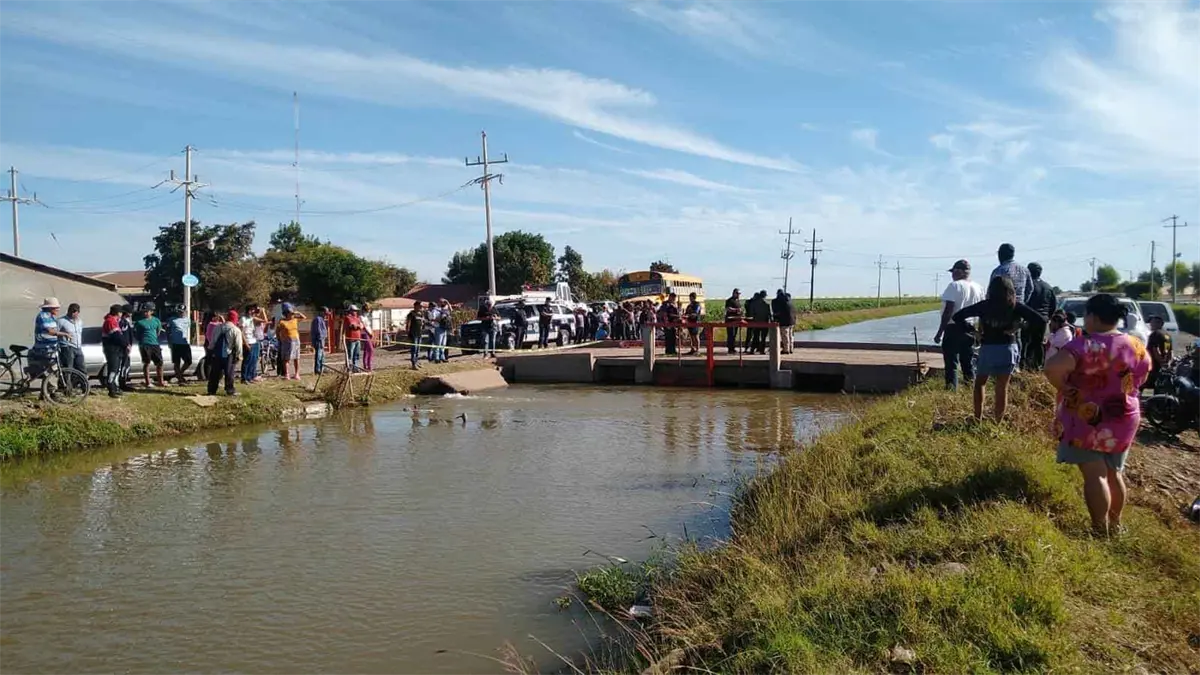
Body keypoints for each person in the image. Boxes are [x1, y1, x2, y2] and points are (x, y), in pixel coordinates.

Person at [1044, 293, 1151, 536]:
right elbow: (1142, 376)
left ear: (1092, 316)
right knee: (1114, 472)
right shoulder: (1135, 345)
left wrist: (1065, 387)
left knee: (1095, 475)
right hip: (1124, 415)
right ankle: (1116, 525)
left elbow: (1052, 367)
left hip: (1088, 416)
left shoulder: (1084, 345)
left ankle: (1099, 530)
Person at [953, 275, 1045, 422]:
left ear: (991, 290)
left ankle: (977, 418)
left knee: (980, 383)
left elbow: (957, 316)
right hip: (1008, 348)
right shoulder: (1015, 306)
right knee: (1002, 387)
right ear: (1011, 290)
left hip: (988, 348)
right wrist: (1020, 326)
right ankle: (998, 422)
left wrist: (973, 331)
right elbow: (1040, 320)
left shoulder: (984, 305)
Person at [933, 259, 985, 390]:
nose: (952, 275)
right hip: (971, 329)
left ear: (960, 272)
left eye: (953, 271)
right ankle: (971, 391)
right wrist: (980, 332)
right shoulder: (979, 288)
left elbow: (948, 311)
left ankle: (951, 391)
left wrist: (940, 332)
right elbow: (982, 312)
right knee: (968, 363)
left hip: (954, 328)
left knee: (951, 364)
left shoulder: (954, 286)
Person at [1022, 262, 1056, 370]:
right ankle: (1038, 366)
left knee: (1025, 343)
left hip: (1029, 318)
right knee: (1038, 343)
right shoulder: (1048, 287)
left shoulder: (1028, 286)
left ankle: (1024, 365)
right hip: (1043, 319)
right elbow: (1053, 305)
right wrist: (1048, 317)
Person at [134, 302, 166, 388]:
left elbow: (158, 332)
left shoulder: (156, 320)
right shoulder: (139, 322)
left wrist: (153, 338)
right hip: (144, 344)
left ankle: (160, 381)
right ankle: (148, 382)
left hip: (155, 344)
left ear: (151, 311)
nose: (145, 313)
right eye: (144, 311)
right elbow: (137, 334)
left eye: (147, 311)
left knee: (160, 363)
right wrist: (142, 341)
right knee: (147, 363)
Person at [205, 312, 237, 397]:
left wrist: (210, 351)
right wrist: (239, 356)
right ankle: (230, 390)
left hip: (217, 354)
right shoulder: (235, 329)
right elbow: (238, 344)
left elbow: (212, 341)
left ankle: (211, 390)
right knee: (229, 373)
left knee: (214, 373)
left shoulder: (217, 327)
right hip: (229, 354)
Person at [31, 297, 62, 378]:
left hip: (51, 348)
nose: (58, 310)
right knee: (54, 368)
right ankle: (48, 384)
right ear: (50, 308)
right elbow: (50, 331)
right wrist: (64, 334)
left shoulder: (51, 317)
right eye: (56, 308)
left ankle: (46, 380)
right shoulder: (43, 316)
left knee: (54, 367)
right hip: (45, 348)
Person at [276, 303, 307, 381]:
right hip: (286, 341)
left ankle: (297, 374)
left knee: (296, 357)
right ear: (286, 313)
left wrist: (297, 312)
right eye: (290, 313)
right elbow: (277, 331)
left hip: (296, 341)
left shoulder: (295, 319)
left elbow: (304, 317)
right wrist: (279, 339)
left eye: (292, 313)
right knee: (286, 359)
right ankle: (287, 374)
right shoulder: (282, 321)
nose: (292, 314)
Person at [100, 304, 125, 397]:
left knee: (116, 368)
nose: (121, 314)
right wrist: (125, 344)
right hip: (111, 348)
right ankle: (111, 389)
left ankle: (114, 387)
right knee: (113, 369)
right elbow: (116, 336)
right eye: (121, 312)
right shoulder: (110, 321)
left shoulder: (114, 320)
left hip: (115, 349)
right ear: (117, 313)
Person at [56, 302, 86, 374]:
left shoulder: (80, 322)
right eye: (71, 311)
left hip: (78, 347)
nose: (73, 313)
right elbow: (54, 333)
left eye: (75, 311)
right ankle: (67, 381)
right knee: (68, 369)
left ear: (78, 312)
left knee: (81, 368)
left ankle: (81, 380)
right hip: (67, 347)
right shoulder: (61, 321)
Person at [1145, 315, 1172, 391]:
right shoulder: (1167, 335)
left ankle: (1146, 398)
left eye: (1153, 322)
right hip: (1162, 365)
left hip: (1154, 365)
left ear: (1160, 324)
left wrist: (1161, 362)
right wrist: (1167, 362)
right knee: (1158, 386)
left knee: (1147, 385)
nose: (1151, 324)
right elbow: (1169, 350)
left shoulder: (1155, 334)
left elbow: (1155, 350)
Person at [167, 305, 192, 385]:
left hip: (184, 343)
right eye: (179, 311)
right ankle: (180, 379)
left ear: (185, 312)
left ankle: (179, 374)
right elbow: (168, 331)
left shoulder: (188, 320)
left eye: (182, 312)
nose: (181, 313)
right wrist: (169, 342)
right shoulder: (172, 320)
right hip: (175, 343)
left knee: (188, 361)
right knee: (176, 362)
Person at [748, 290, 772, 354]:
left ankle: (752, 350)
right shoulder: (767, 304)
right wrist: (771, 321)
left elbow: (751, 314)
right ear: (765, 296)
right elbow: (770, 314)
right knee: (763, 338)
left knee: (755, 337)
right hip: (765, 323)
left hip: (756, 323)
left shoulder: (753, 303)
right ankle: (762, 350)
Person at [771, 290, 795, 355]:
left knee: (785, 336)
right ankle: (791, 349)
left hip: (784, 321)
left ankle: (786, 350)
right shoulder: (790, 301)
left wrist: (775, 318)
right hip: (792, 321)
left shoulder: (780, 302)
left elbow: (777, 312)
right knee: (790, 335)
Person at [343, 305, 365, 371]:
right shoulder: (347, 318)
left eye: (356, 311)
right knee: (350, 354)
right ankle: (349, 368)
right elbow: (352, 326)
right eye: (354, 311)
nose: (355, 312)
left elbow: (362, 326)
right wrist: (358, 326)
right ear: (350, 311)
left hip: (358, 339)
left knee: (357, 354)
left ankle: (355, 368)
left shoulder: (357, 318)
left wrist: (358, 326)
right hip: (351, 339)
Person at [118, 305, 135, 391]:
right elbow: (121, 335)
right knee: (122, 366)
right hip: (122, 348)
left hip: (127, 347)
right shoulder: (121, 322)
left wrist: (130, 344)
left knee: (126, 365)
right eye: (130, 312)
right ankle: (120, 384)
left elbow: (130, 335)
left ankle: (123, 383)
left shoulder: (128, 321)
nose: (131, 314)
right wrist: (126, 345)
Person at [407, 301, 426, 369]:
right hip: (413, 334)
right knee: (414, 349)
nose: (421, 307)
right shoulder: (411, 314)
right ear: (415, 306)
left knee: (418, 349)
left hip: (419, 333)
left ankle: (416, 362)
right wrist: (408, 333)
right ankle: (413, 364)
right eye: (420, 306)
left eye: (421, 306)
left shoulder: (421, 314)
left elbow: (422, 323)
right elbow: (408, 324)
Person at [432, 299, 452, 363]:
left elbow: (451, 310)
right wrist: (441, 318)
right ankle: (437, 358)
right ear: (438, 303)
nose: (443, 303)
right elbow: (433, 318)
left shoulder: (445, 309)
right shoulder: (436, 310)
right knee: (438, 344)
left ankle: (442, 357)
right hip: (438, 328)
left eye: (444, 302)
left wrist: (447, 302)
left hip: (444, 328)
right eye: (441, 302)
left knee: (443, 344)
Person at [724, 289, 744, 354]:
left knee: (734, 335)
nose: (738, 295)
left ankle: (733, 348)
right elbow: (728, 309)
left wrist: (741, 311)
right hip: (730, 321)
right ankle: (730, 348)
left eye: (739, 294)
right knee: (731, 335)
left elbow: (740, 309)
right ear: (734, 293)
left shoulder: (737, 301)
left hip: (736, 320)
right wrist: (736, 310)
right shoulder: (729, 300)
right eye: (737, 293)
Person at [310, 307, 329, 375]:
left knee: (322, 355)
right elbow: (318, 330)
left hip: (321, 339)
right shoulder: (318, 319)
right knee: (319, 355)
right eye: (325, 313)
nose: (326, 315)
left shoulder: (322, 319)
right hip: (319, 340)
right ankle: (317, 370)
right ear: (322, 312)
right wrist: (320, 339)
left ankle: (322, 369)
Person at [361, 303, 376, 371]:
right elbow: (364, 327)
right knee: (371, 349)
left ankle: (365, 366)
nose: (369, 312)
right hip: (365, 334)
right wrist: (369, 333)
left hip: (369, 334)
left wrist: (372, 333)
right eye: (368, 311)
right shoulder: (361, 317)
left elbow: (369, 326)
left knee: (366, 350)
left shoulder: (366, 317)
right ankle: (369, 366)